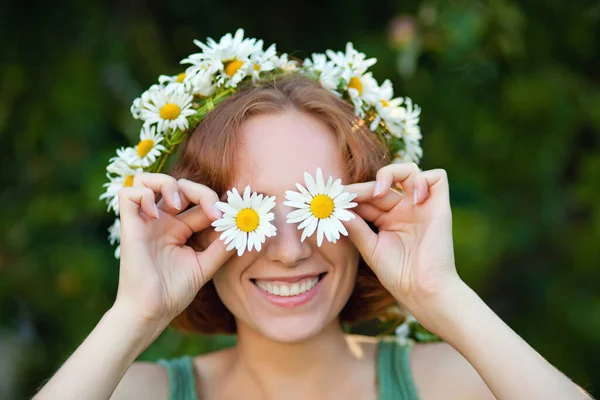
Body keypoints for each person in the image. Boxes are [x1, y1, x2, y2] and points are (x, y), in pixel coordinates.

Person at [34, 31, 593, 400]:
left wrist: (439, 293)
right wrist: (135, 313)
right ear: (196, 225)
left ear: (368, 214)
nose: (289, 248)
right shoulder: (135, 393)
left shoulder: (456, 385)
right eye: (250, 212)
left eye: (314, 204)